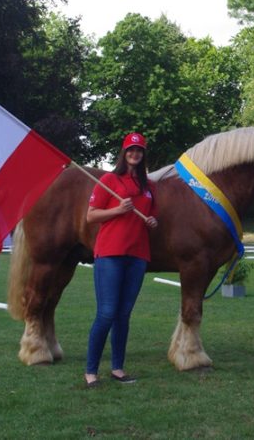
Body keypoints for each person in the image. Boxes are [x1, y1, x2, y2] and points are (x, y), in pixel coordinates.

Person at [84, 132, 158, 387]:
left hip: (137, 256)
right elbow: (91, 216)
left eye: (139, 150)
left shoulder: (150, 187)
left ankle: (117, 368)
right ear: (124, 153)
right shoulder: (109, 180)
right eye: (130, 150)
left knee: (123, 315)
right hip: (110, 254)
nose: (135, 154)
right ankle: (91, 371)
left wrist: (152, 221)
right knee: (106, 313)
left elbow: (152, 216)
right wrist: (118, 210)